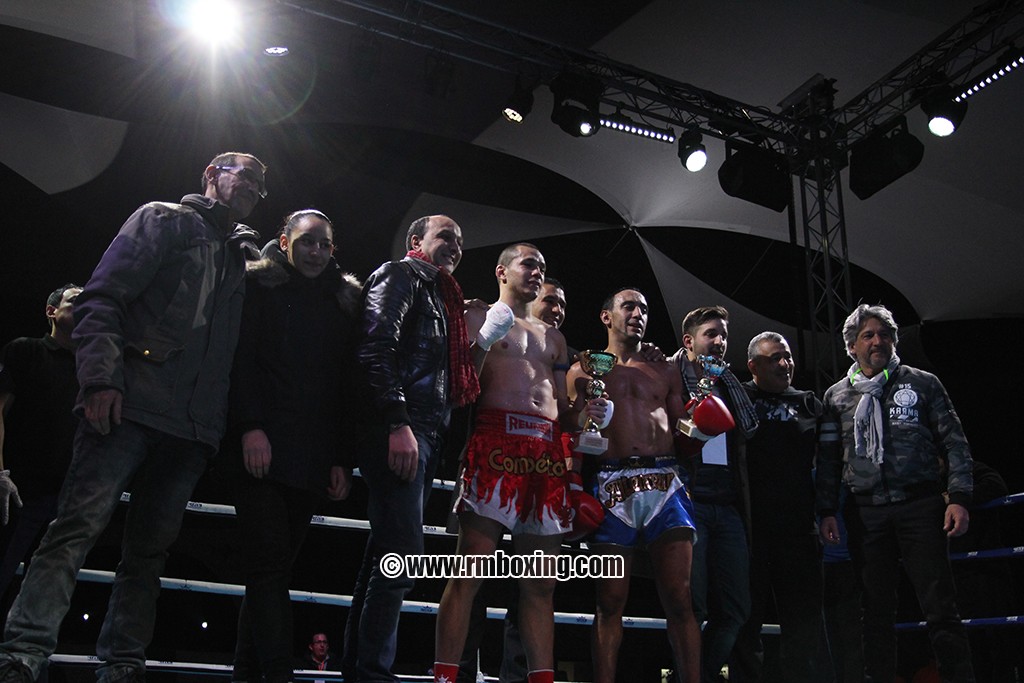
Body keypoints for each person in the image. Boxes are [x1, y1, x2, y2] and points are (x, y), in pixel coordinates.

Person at [0, 152, 265, 683]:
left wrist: (213, 429)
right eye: (245, 174)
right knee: (74, 528)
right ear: (211, 175)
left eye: (261, 183)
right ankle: (23, 653)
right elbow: (103, 297)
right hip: (129, 406)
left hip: (191, 428)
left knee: (149, 551)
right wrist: (99, 379)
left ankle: (123, 663)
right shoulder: (162, 219)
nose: (254, 186)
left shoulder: (242, 256)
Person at [433, 243, 576, 683]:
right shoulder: (477, 315)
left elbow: (565, 410)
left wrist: (589, 410)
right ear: (502, 271)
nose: (537, 271)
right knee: (469, 574)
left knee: (540, 586)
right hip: (496, 440)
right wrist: (483, 341)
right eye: (529, 263)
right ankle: (443, 677)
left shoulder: (554, 337)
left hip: (547, 453)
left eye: (543, 266)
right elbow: (459, 386)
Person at [227, 210, 360, 683]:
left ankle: (246, 676)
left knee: (273, 571)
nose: (316, 252)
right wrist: (250, 426)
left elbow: (345, 386)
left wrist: (342, 457)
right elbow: (241, 359)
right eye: (307, 242)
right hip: (260, 446)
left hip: (312, 456)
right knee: (267, 567)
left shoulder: (343, 305)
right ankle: (279, 675)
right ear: (284, 242)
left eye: (325, 244)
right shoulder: (260, 289)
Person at [348, 215, 477, 682]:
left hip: (424, 432)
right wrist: (397, 420)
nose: (454, 246)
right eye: (445, 236)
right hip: (400, 428)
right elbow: (376, 347)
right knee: (401, 553)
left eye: (460, 241)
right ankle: (372, 674)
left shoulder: (443, 297)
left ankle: (360, 671)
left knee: (384, 554)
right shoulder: (399, 275)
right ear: (415, 241)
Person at [816, 304, 975, 683]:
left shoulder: (922, 382)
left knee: (941, 609)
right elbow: (827, 462)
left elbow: (955, 443)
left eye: (884, 334)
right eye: (868, 335)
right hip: (867, 513)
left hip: (920, 506)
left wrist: (959, 497)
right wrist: (826, 510)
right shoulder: (836, 396)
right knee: (874, 612)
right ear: (851, 346)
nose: (877, 341)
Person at [568, 287, 700, 683]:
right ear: (606, 317)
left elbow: (685, 434)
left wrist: (705, 425)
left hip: (665, 480)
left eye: (644, 309)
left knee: (680, 598)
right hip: (611, 482)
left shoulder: (665, 368)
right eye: (629, 307)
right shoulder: (585, 368)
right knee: (609, 601)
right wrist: (573, 484)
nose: (639, 314)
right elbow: (572, 430)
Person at [729, 332, 836, 683]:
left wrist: (827, 510)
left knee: (804, 626)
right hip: (749, 532)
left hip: (798, 531)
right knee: (746, 623)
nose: (784, 363)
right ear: (753, 366)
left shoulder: (809, 403)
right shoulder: (735, 397)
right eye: (774, 358)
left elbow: (831, 464)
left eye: (787, 356)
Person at [667, 306, 759, 683]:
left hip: (728, 506)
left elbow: (751, 426)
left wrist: (728, 383)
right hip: (689, 504)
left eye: (723, 335)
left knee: (737, 608)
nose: (720, 342)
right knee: (694, 604)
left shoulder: (727, 382)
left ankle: (693, 676)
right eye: (711, 334)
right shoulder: (670, 377)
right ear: (689, 341)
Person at [0, 284, 83, 618]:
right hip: (17, 493)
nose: (86, 307)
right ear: (52, 311)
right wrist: (0, 474)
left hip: (64, 503)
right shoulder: (26, 351)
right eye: (76, 301)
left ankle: (21, 667)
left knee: (39, 599)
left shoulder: (93, 371)